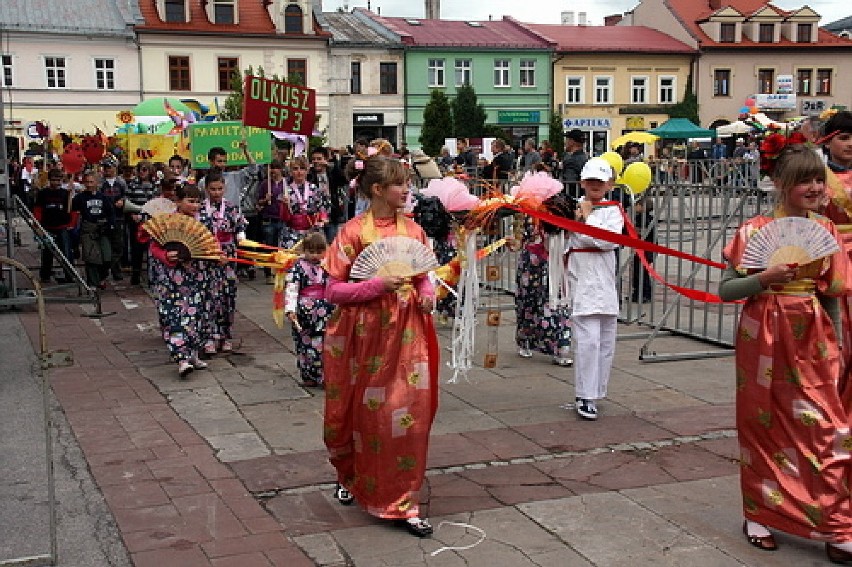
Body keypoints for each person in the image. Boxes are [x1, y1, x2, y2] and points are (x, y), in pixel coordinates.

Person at [719, 143, 852, 563]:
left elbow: (831, 293)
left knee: (829, 429)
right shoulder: (753, 230)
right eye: (804, 181)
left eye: (818, 179)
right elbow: (726, 290)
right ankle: (758, 513)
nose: (815, 187)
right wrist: (764, 277)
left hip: (812, 336)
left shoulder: (827, 231)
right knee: (763, 422)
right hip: (762, 334)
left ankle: (836, 523)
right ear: (780, 185)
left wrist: (838, 342)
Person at [323, 155, 438, 538]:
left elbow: (422, 276)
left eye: (407, 183)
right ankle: (351, 476)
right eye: (399, 184)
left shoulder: (415, 231)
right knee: (359, 414)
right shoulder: (353, 232)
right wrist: (375, 286)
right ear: (376, 190)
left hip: (408, 335)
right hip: (363, 336)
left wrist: (426, 293)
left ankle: (404, 500)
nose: (407, 190)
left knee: (410, 414)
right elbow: (333, 289)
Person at [566, 158, 624, 421]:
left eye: (600, 182)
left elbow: (608, 241)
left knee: (606, 340)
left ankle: (597, 391)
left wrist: (588, 220)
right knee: (588, 340)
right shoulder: (571, 209)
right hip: (583, 280)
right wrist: (584, 219)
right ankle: (584, 394)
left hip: (605, 281)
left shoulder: (613, 210)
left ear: (609, 184)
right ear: (582, 182)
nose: (595, 186)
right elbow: (582, 238)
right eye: (590, 181)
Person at [147, 183, 220, 378]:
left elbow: (211, 244)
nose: (195, 206)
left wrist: (217, 256)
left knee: (198, 316)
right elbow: (154, 246)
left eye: (197, 201)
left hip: (198, 276)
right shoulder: (167, 221)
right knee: (174, 317)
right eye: (190, 201)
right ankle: (181, 358)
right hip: (171, 279)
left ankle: (193, 353)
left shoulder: (205, 220)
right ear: (178, 201)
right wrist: (165, 255)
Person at [199, 172, 247, 355]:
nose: (216, 192)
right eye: (213, 189)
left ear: (224, 188)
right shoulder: (200, 209)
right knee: (208, 298)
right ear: (206, 189)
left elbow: (240, 228)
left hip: (228, 257)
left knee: (228, 297)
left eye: (220, 189)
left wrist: (241, 239)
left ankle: (226, 335)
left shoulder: (232, 208)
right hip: (207, 257)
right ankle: (209, 337)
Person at [285, 232, 333, 388]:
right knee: (305, 344)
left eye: (319, 252)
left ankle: (326, 375)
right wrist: (290, 308)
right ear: (304, 250)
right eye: (311, 251)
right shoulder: (297, 267)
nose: (315, 255)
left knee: (325, 344)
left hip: (325, 311)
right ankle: (308, 375)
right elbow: (292, 288)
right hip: (304, 313)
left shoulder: (329, 265)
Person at [72, 171, 115, 289]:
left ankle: (102, 277)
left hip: (102, 228)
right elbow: (72, 210)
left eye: (92, 182)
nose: (89, 184)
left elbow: (111, 213)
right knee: (91, 258)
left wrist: (110, 225)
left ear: (97, 182)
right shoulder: (80, 198)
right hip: (88, 228)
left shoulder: (104, 198)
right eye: (87, 182)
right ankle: (92, 282)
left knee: (107, 257)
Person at [34, 168, 76, 284]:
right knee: (47, 253)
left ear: (62, 180)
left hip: (62, 226)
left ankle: (69, 274)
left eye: (58, 180)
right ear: (49, 180)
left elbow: (72, 211)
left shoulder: (66, 194)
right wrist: (37, 225)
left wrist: (71, 224)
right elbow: (38, 210)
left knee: (66, 252)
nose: (56, 183)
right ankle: (45, 275)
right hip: (47, 227)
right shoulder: (43, 194)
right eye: (53, 180)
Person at [279, 156, 329, 249]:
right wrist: (284, 205)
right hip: (292, 234)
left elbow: (322, 208)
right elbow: (284, 218)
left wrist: (322, 219)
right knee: (293, 260)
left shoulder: (314, 188)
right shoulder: (286, 191)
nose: (299, 172)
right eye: (295, 169)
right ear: (290, 171)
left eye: (302, 168)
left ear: (307, 170)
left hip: (312, 232)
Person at [308, 147, 348, 243]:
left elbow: (344, 180)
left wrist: (333, 164)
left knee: (332, 242)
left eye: (319, 159)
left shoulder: (332, 172)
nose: (316, 162)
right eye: (314, 159)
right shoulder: (310, 175)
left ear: (326, 159)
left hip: (332, 214)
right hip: (316, 216)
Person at [257, 160, 287, 284]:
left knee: (283, 248)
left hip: (282, 219)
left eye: (276, 168)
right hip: (269, 219)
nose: (273, 171)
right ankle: (269, 273)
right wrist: (265, 200)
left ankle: (281, 272)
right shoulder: (265, 184)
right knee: (269, 247)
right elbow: (258, 202)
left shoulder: (286, 183)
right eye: (271, 168)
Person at [126, 162, 156, 285]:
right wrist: (132, 214)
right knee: (136, 249)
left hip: (150, 222)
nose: (142, 172)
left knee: (150, 248)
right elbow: (127, 201)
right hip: (136, 221)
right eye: (140, 170)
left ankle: (150, 275)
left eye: (145, 169)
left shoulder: (154, 186)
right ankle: (136, 273)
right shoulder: (132, 185)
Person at [100, 157, 128, 281]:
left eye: (109, 167)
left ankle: (114, 270)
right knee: (106, 245)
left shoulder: (121, 182)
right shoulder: (101, 182)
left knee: (118, 246)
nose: (107, 170)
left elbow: (127, 195)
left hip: (118, 217)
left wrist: (123, 201)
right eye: (105, 167)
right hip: (104, 218)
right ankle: (108, 269)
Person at [561, 129, 588, 199]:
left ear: (572, 142)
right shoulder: (586, 158)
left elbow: (569, 183)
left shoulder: (571, 161)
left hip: (572, 199)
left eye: (567, 140)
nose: (565, 142)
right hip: (583, 197)